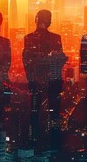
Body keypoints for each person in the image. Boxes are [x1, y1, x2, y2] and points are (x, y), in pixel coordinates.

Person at [23, 9, 67, 150]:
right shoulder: (54, 38)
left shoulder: (30, 38)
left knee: (37, 113)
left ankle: (36, 141)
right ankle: (53, 142)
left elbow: (27, 61)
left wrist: (32, 77)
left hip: (40, 80)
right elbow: (60, 59)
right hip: (50, 80)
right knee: (51, 113)